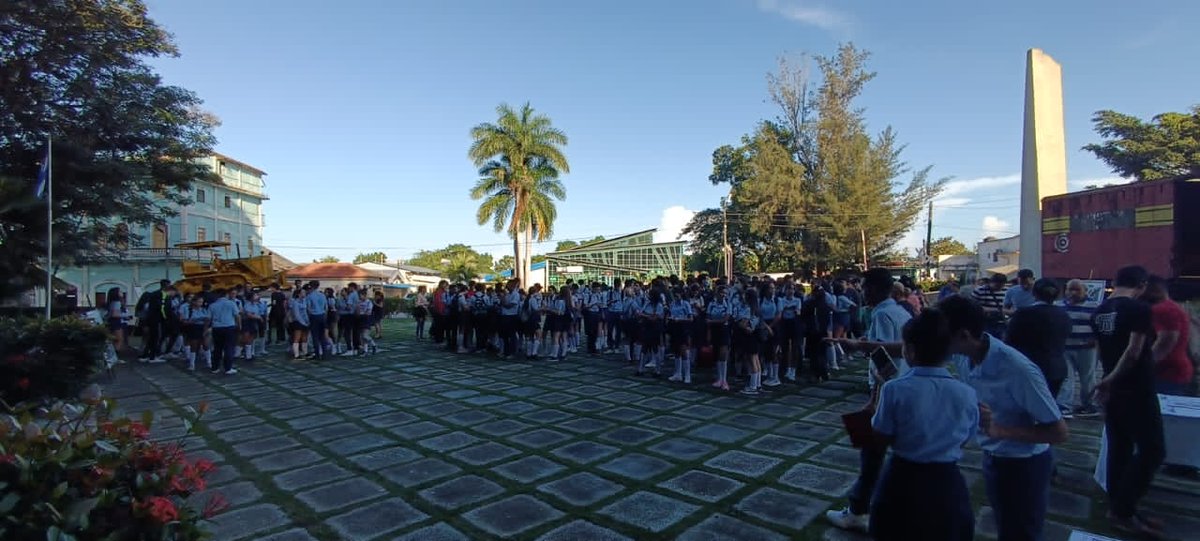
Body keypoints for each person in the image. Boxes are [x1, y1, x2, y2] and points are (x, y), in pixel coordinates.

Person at [940, 295, 1067, 541]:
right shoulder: (964, 355)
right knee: (1006, 526)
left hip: (1024, 465)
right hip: (993, 456)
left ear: (964, 335)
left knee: (1022, 532)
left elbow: (1059, 432)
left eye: (942, 336)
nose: (937, 342)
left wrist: (1000, 431)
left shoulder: (1017, 369)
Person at [869, 309, 977, 541]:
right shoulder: (967, 393)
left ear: (910, 350)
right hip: (947, 480)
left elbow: (880, 438)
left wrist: (879, 391)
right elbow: (966, 437)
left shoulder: (895, 389)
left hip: (903, 477)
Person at [825, 268, 912, 533]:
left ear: (873, 289)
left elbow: (883, 356)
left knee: (871, 453)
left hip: (887, 388)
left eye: (864, 287)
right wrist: (865, 344)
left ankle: (858, 510)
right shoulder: (900, 311)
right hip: (902, 385)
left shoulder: (882, 313)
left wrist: (874, 398)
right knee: (889, 453)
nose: (862, 292)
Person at [1092, 265, 1166, 538]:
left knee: (1119, 447)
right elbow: (1133, 352)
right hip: (1136, 387)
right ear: (1142, 285)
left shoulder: (1099, 311)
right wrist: (1110, 380)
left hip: (1114, 390)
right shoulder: (1138, 310)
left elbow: (1102, 350)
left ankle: (1120, 507)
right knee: (1153, 450)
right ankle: (1123, 510)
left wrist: (1106, 380)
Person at [1004, 279, 1073, 419]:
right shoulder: (1063, 315)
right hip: (1056, 367)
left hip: (1029, 367)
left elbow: (1009, 341)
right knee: (1048, 408)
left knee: (1026, 412)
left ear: (1034, 294)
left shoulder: (1023, 314)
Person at [1142, 275, 1194, 396]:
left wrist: (1143, 366)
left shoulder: (1163, 309)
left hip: (1167, 372)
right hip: (1173, 371)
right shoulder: (1172, 308)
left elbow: (1165, 342)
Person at [1059, 279, 1099, 417]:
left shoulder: (1095, 307)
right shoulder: (1059, 306)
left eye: (1077, 290)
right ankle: (1065, 406)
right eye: (1070, 289)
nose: (1073, 293)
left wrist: (1095, 339)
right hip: (1065, 348)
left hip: (1087, 348)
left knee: (1087, 377)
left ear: (1085, 291)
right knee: (1066, 377)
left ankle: (1089, 405)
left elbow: (1099, 326)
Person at [208, 288, 241, 375]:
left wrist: (206, 327)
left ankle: (215, 367)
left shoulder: (212, 305)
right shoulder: (231, 303)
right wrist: (239, 325)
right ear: (226, 295)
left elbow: (208, 318)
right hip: (229, 327)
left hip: (217, 327)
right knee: (229, 348)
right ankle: (228, 368)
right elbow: (237, 315)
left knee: (217, 348)